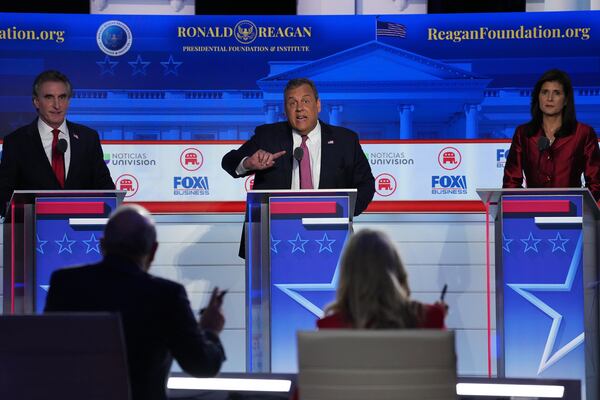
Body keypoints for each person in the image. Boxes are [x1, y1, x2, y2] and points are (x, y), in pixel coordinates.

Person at [44, 204, 226, 400]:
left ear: (102, 245)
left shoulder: (65, 283)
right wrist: (210, 330)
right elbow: (202, 366)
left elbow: (47, 356)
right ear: (154, 250)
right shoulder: (167, 295)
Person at [222, 77, 375, 257]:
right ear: (285, 109)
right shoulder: (268, 136)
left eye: (305, 101)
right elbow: (229, 161)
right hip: (275, 240)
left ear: (318, 105)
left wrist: (342, 213)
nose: (299, 108)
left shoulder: (345, 140)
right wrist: (248, 163)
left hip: (330, 238)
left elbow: (366, 185)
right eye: (292, 102)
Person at [0, 70, 115, 217]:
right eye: (49, 97)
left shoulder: (88, 138)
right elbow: (4, 197)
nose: (57, 105)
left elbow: (107, 190)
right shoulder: (16, 142)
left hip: (82, 235)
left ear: (69, 101)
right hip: (33, 233)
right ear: (36, 101)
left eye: (62, 97)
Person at [318, 229, 447, 329]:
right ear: (398, 271)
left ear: (347, 275)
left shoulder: (329, 326)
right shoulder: (430, 318)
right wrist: (437, 317)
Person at [503, 69, 600, 200]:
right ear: (538, 97)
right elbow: (511, 183)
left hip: (572, 213)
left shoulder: (583, 133)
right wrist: (525, 205)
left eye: (556, 93)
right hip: (532, 213)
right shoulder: (523, 134)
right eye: (545, 92)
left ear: (566, 100)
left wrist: (578, 205)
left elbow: (595, 183)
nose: (549, 98)